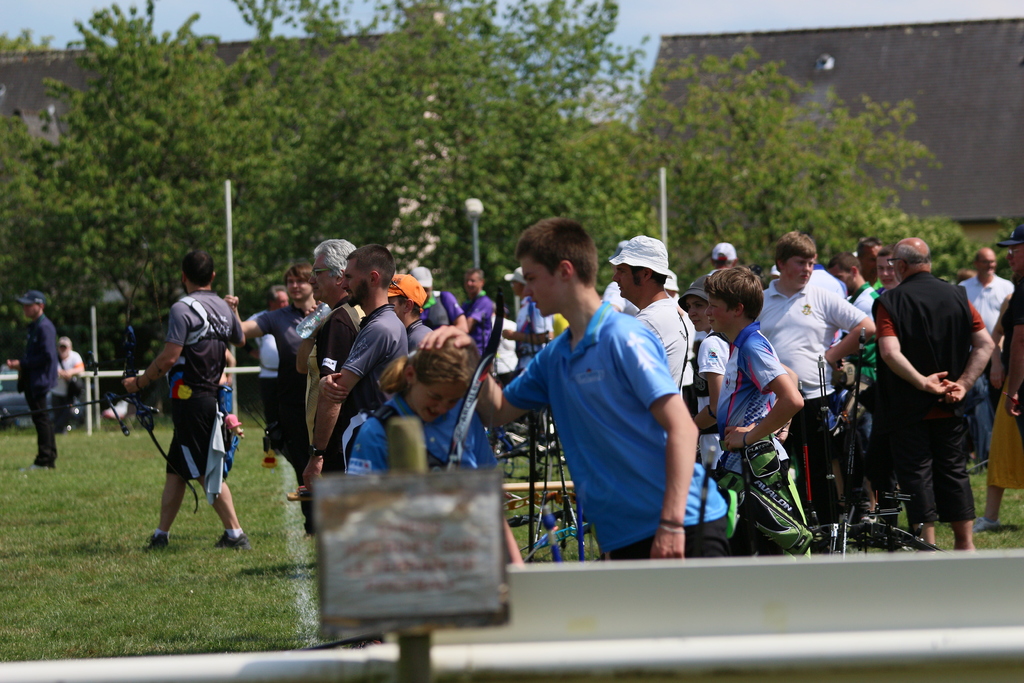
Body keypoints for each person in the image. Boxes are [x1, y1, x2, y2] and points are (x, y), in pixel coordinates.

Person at [425, 217, 730, 559]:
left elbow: (682, 429)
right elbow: (497, 411)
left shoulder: (624, 336)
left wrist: (672, 524)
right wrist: (470, 356)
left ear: (565, 271)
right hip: (624, 533)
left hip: (682, 524)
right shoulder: (554, 356)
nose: (526, 291)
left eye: (532, 278)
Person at [123, 250, 249, 550]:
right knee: (176, 471)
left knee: (206, 470)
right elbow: (240, 339)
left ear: (183, 277)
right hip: (208, 399)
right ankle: (161, 535)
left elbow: (169, 357)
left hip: (192, 402)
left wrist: (138, 383)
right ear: (213, 276)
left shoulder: (182, 308)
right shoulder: (223, 306)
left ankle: (235, 534)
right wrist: (233, 310)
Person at [873, 238, 993, 549]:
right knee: (954, 472)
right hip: (950, 401)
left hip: (908, 406)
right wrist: (963, 383)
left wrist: (922, 382)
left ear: (901, 265)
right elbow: (986, 344)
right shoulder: (958, 295)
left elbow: (889, 352)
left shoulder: (890, 301)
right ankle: (965, 544)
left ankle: (927, 545)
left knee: (916, 474)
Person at [757, 231, 875, 524]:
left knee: (819, 472)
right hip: (771, 402)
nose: (807, 269)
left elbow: (867, 327)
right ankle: (780, 530)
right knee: (772, 471)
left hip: (814, 398)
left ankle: (826, 531)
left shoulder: (821, 296)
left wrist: (833, 355)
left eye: (811, 263)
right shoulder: (760, 300)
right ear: (781, 263)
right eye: (801, 262)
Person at [704, 267, 808, 555]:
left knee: (763, 560)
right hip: (742, 466)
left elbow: (793, 399)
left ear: (737, 309)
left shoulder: (751, 345)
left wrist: (750, 436)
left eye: (713, 305)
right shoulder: (743, 342)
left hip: (755, 470)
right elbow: (790, 376)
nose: (708, 311)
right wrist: (778, 424)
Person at [226, 263, 318, 534]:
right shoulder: (276, 317)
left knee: (329, 461)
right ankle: (312, 524)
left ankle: (333, 518)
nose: (294, 286)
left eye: (300, 280)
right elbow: (240, 333)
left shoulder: (327, 311)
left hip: (325, 399)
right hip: (291, 403)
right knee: (302, 463)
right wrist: (233, 311)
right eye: (290, 281)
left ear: (313, 283)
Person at [307, 245, 407, 483]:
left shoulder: (380, 328)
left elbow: (337, 390)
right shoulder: (381, 323)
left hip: (370, 446)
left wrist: (317, 453)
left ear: (373, 278)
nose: (343, 284)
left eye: (349, 277)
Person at [979, 225, 1024, 532]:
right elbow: (996, 335)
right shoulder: (1013, 295)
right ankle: (991, 517)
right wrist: (996, 362)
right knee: (1002, 448)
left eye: (1014, 250)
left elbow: (1019, 340)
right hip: (1014, 383)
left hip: (1018, 386)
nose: (1008, 256)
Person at [610, 235, 695, 391]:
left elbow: (620, 386)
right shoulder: (666, 311)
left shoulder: (648, 322)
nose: (615, 278)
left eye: (622, 271)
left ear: (645, 274)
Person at [959, 247, 1015, 466]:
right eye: (986, 261)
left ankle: (995, 452)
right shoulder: (964, 288)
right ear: (976, 263)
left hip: (997, 355)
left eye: (992, 262)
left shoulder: (1006, 287)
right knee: (975, 404)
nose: (991, 265)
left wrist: (996, 358)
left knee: (995, 402)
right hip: (971, 355)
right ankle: (980, 451)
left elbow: (1005, 328)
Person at [6, 290, 58, 469]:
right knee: (41, 419)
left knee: (41, 419)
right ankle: (48, 458)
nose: (25, 308)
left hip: (39, 380)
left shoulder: (45, 327)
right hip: (32, 380)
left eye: (29, 305)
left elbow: (47, 356)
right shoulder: (35, 326)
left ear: (40, 305)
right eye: (24, 305)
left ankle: (44, 460)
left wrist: (22, 364)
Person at [683, 275, 728, 470]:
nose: (691, 312)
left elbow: (717, 408)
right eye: (688, 306)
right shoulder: (745, 336)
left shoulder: (711, 344)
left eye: (699, 305)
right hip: (743, 445)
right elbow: (789, 376)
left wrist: (689, 429)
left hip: (718, 448)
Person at [247, 285, 289, 428]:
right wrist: (251, 351)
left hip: (289, 375)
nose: (286, 304)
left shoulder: (292, 315)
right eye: (282, 301)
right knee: (272, 415)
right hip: (268, 375)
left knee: (289, 413)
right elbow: (239, 334)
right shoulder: (259, 318)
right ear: (272, 302)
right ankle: (273, 441)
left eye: (287, 301)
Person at [502, 266, 552, 373]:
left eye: (513, 283)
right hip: (525, 364)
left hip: (535, 365)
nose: (512, 286)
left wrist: (514, 336)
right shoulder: (525, 305)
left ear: (521, 284)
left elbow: (547, 336)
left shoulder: (534, 305)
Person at [411, 266, 469, 333]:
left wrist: (441, 335)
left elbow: (463, 327)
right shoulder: (406, 305)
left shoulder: (444, 297)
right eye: (420, 289)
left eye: (426, 289)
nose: (424, 294)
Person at [389, 273, 430, 352]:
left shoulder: (418, 340)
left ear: (408, 306)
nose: (383, 305)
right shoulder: (412, 335)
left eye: (388, 301)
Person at [53, 336, 85, 433]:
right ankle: (59, 432)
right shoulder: (54, 357)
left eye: (65, 347)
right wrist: (60, 372)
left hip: (70, 392)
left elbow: (81, 368)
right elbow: (48, 369)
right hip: (56, 391)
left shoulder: (75, 356)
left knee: (67, 413)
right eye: (61, 347)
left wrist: (69, 372)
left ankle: (58, 430)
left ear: (70, 348)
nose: (63, 349)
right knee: (57, 414)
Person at [461, 268, 495, 355]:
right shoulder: (466, 303)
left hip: (479, 353)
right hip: (468, 351)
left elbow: (467, 326)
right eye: (467, 281)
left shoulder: (484, 302)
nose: (469, 283)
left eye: (472, 281)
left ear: (482, 282)